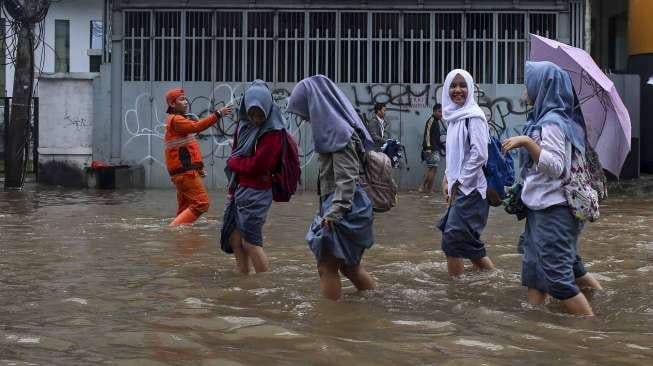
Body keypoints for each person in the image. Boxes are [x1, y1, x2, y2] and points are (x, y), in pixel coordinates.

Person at [502, 61, 595, 316]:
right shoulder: (542, 120)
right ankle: (534, 327)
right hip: (539, 209)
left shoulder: (553, 123)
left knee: (558, 279)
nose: (525, 90)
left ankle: (591, 329)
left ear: (542, 86)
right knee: (533, 273)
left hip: (555, 211)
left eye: (528, 84)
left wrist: (527, 143)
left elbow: (558, 167)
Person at [287, 75, 376, 301]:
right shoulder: (337, 128)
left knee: (326, 267)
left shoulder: (336, 131)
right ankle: (374, 303)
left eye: (305, 110)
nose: (305, 118)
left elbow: (346, 179)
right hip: (346, 206)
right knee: (349, 267)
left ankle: (329, 324)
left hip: (343, 207)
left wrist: (334, 213)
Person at [220, 80, 285, 274]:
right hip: (239, 188)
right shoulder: (243, 125)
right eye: (252, 113)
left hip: (257, 191)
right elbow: (236, 151)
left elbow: (259, 165)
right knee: (235, 240)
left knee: (250, 242)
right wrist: (232, 189)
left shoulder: (272, 131)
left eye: (260, 114)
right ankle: (244, 281)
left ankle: (264, 287)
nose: (256, 119)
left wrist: (233, 163)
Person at [438, 69, 495, 277]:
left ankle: (457, 292)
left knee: (452, 241)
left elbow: (480, 155)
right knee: (466, 242)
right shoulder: (453, 117)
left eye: (463, 85)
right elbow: (454, 156)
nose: (457, 90)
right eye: (453, 86)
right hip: (459, 189)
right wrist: (446, 179)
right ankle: (493, 278)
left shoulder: (475, 117)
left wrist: (459, 183)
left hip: (471, 190)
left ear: (470, 88)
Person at [164, 88, 233, 226]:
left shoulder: (178, 120)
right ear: (172, 104)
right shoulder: (177, 120)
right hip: (185, 174)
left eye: (185, 99)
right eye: (181, 99)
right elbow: (197, 126)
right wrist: (217, 114)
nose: (186, 102)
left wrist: (198, 168)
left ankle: (179, 239)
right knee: (201, 203)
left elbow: (188, 150)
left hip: (185, 173)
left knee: (185, 208)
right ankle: (172, 229)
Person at [419, 103, 446, 193]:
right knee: (432, 169)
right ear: (434, 112)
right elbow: (427, 135)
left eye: (442, 112)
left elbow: (435, 137)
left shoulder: (436, 122)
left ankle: (423, 187)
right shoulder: (431, 121)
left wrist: (442, 146)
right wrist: (428, 148)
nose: (441, 114)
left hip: (434, 149)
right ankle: (427, 188)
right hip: (431, 150)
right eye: (439, 112)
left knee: (432, 169)